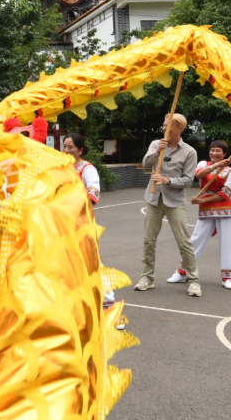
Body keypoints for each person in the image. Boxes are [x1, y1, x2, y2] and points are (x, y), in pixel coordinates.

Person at [136, 113, 202, 297]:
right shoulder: (156, 144)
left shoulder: (189, 151)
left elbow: (188, 180)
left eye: (168, 125)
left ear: (179, 128)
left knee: (184, 241)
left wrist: (168, 180)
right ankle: (147, 278)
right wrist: (157, 151)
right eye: (164, 125)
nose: (164, 128)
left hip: (175, 201)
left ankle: (193, 280)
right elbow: (145, 164)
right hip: (153, 198)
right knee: (149, 240)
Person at [63, 132, 124, 325]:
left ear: (80, 150)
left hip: (81, 225)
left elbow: (93, 194)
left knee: (93, 265)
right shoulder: (59, 168)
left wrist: (70, 203)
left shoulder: (87, 169)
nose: (66, 150)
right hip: (60, 225)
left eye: (70, 147)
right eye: (64, 146)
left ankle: (111, 310)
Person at [168, 140, 231, 289]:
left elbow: (225, 194)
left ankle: (227, 278)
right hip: (206, 209)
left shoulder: (230, 171)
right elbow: (198, 175)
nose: (214, 153)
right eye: (212, 150)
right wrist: (217, 165)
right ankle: (182, 272)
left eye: (218, 151)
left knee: (228, 242)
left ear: (225, 154)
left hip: (224, 208)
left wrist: (202, 200)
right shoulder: (203, 164)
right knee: (196, 239)